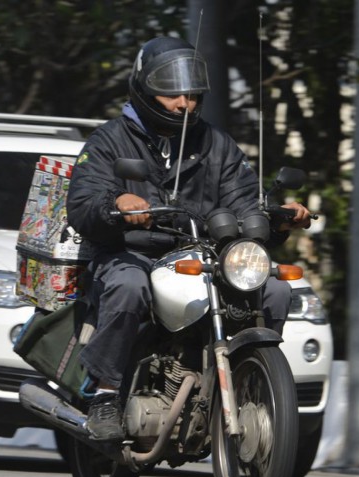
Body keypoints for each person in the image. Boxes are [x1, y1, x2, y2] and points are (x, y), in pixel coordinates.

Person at [66, 36, 312, 441]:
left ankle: (250, 381)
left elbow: (243, 201)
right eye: (172, 94)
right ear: (145, 89)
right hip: (130, 252)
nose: (185, 103)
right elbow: (83, 203)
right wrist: (118, 201)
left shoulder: (217, 145)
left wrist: (276, 219)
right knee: (128, 287)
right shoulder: (109, 141)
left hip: (204, 256)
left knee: (274, 291)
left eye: (192, 95)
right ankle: (105, 395)